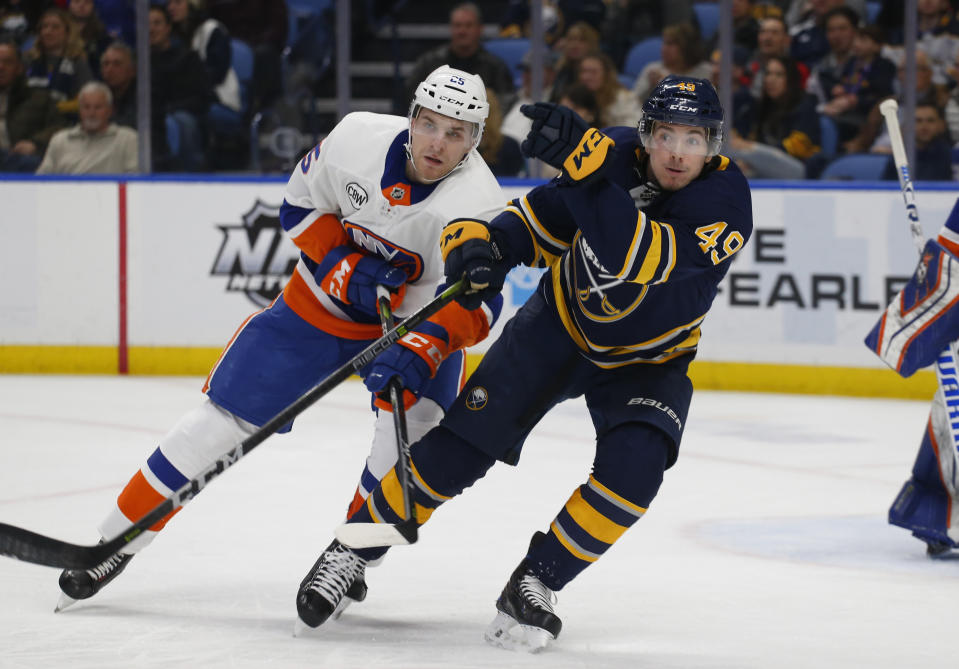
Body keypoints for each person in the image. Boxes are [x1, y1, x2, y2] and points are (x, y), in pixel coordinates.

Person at [299, 75, 753, 651]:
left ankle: (537, 581)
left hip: (650, 359)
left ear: (714, 145)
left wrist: (587, 174)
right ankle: (351, 550)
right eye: (667, 135)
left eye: (694, 139)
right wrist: (482, 249)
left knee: (636, 470)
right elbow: (536, 224)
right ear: (647, 134)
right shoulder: (610, 155)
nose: (677, 153)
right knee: (458, 448)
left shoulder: (726, 201)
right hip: (557, 327)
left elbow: (631, 256)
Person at [55, 66, 507, 618]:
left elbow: (479, 306)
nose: (438, 142)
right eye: (430, 124)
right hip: (317, 308)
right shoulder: (356, 138)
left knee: (408, 443)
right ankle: (114, 541)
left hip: (411, 332)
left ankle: (352, 554)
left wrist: (426, 346)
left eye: (456, 133)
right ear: (412, 117)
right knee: (215, 423)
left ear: (475, 140)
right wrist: (342, 267)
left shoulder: (479, 203)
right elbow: (297, 207)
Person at [405, 3, 516, 114]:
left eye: (468, 26)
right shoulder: (429, 62)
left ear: (480, 29)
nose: (462, 31)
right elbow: (411, 97)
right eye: (457, 25)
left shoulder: (495, 67)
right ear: (451, 28)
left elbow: (505, 105)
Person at [728, 55, 821, 179]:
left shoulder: (805, 105)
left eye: (779, 75)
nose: (771, 79)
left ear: (791, 79)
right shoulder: (763, 106)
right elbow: (751, 137)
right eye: (768, 74)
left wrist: (753, 149)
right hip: (764, 164)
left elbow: (798, 147)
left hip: (798, 169)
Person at [35, 79, 137, 174]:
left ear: (110, 110)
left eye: (98, 107)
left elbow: (137, 181)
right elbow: (40, 181)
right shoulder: (60, 140)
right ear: (79, 110)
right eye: (86, 107)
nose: (91, 113)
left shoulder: (127, 139)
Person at [0, 37, 64, 172]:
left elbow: (59, 127)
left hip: (19, 163)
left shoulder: (40, 98)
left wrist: (35, 143)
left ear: (19, 68)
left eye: (7, 62)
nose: (1, 67)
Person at [168, 0, 241, 114]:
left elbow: (216, 74)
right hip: (187, 98)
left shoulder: (212, 29)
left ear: (193, 5)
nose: (171, 8)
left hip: (219, 98)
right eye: (169, 3)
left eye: (177, 2)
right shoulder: (174, 37)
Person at [22, 6, 93, 117]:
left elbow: (87, 98)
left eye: (55, 27)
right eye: (44, 27)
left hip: (64, 121)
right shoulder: (28, 59)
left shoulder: (77, 62)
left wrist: (56, 107)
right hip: (28, 119)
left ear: (67, 32)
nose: (48, 32)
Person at [632, 22, 712, 104]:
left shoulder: (707, 72)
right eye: (664, 43)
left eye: (670, 44)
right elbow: (635, 103)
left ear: (687, 47)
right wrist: (651, 87)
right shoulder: (653, 70)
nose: (664, 48)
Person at [575, 49, 638, 127]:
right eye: (583, 71)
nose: (586, 77)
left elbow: (632, 128)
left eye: (593, 72)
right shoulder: (573, 97)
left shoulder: (624, 98)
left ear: (606, 75)